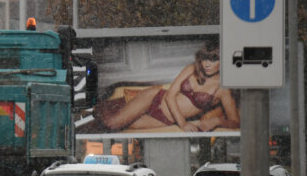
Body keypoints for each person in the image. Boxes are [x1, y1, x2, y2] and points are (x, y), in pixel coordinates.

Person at [90, 42, 239, 133]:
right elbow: (170, 95)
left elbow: (235, 122)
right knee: (112, 123)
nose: (207, 64)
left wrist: (217, 121)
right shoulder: (191, 69)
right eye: (205, 59)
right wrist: (183, 124)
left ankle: (91, 112)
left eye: (214, 59)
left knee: (117, 125)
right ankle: (91, 109)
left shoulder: (223, 89)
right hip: (155, 98)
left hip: (165, 119)